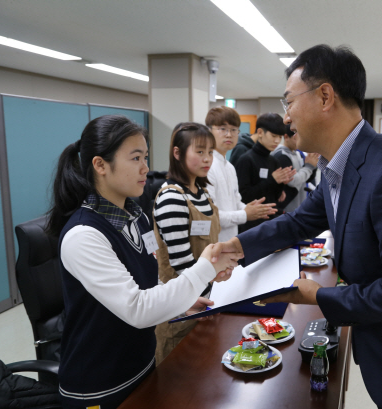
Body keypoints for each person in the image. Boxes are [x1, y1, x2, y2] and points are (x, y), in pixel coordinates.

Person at [211, 45, 382, 409]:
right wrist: (238, 248)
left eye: (289, 103)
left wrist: (316, 296)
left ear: (325, 96)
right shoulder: (336, 168)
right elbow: (299, 222)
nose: (287, 119)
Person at [46, 115, 240, 409]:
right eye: (135, 158)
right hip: (100, 385)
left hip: (141, 366)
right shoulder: (83, 236)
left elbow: (148, 281)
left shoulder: (135, 215)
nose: (146, 168)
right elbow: (137, 308)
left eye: (145, 157)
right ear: (100, 165)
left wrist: (181, 301)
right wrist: (205, 269)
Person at [152, 122, 226, 363]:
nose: (207, 159)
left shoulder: (203, 192)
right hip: (184, 308)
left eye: (210, 152)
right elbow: (182, 264)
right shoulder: (172, 197)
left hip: (208, 301)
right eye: (200, 151)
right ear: (177, 153)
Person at [205, 106, 277, 242]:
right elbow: (211, 216)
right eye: (222, 129)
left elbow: (236, 202)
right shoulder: (206, 167)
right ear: (209, 131)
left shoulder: (230, 167)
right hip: (213, 244)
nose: (229, 134)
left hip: (230, 240)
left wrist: (253, 210)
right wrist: (245, 214)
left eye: (233, 130)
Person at [234, 112, 296, 232]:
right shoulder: (246, 159)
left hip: (270, 222)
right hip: (250, 226)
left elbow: (275, 197)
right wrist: (272, 180)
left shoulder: (274, 161)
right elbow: (243, 196)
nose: (277, 141)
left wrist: (281, 184)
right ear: (261, 132)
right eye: (273, 136)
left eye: (280, 137)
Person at [272, 124, 319, 212]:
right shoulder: (282, 155)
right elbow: (292, 181)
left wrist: (313, 165)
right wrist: (309, 166)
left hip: (298, 203)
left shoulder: (297, 153)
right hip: (286, 207)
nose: (299, 141)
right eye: (295, 138)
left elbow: (306, 179)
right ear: (286, 137)